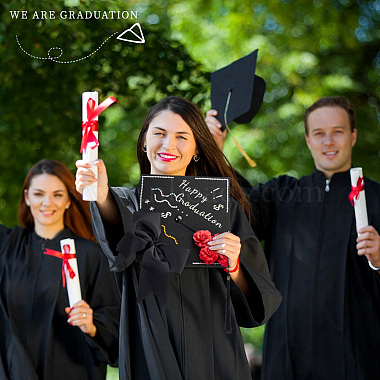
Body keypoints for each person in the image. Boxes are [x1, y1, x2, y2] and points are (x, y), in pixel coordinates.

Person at [75, 96, 282, 380]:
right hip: (150, 347)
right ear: (144, 142)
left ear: (197, 148)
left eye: (182, 136)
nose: (168, 144)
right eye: (159, 133)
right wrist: (100, 196)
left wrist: (234, 266)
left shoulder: (224, 209)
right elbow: (119, 230)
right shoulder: (127, 202)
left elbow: (258, 302)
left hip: (213, 353)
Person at [206, 96, 380, 379]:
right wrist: (215, 154)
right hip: (287, 356)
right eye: (319, 133)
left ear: (353, 135)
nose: (329, 141)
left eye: (338, 131)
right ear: (308, 139)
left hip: (357, 357)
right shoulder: (283, 195)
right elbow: (238, 209)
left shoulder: (376, 199)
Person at [0, 159, 120, 380]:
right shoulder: (7, 246)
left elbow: (117, 333)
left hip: (71, 371)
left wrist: (93, 325)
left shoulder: (91, 255)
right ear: (26, 197)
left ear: (68, 200)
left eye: (57, 194)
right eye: (38, 194)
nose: (47, 203)